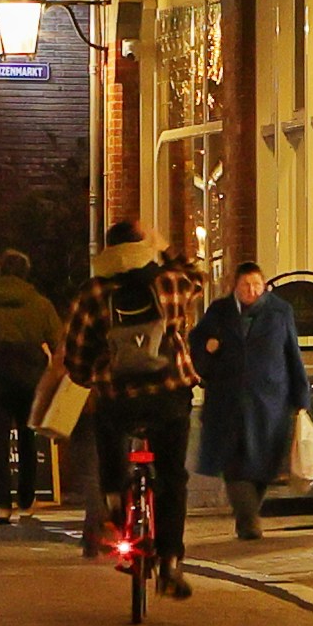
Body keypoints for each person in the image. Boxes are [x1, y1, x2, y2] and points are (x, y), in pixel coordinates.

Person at [69, 224, 197, 593]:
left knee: (111, 453)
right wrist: (166, 245)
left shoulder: (93, 293)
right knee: (173, 477)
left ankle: (116, 507)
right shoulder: (171, 284)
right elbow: (196, 276)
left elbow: (77, 354)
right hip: (170, 394)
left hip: (119, 398)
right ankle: (171, 561)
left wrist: (90, 376)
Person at [190, 261, 305, 547]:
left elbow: (293, 354)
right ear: (235, 287)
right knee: (235, 461)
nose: (251, 291)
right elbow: (197, 346)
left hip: (270, 401)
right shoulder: (219, 312)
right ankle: (248, 518)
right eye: (245, 286)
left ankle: (248, 513)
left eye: (256, 285)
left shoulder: (280, 312)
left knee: (265, 462)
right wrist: (208, 349)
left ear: (264, 285)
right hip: (227, 401)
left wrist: (301, 397)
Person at [0, 250, 68, 514]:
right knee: (28, 438)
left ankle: (1, 504)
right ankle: (27, 498)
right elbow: (59, 344)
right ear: (25, 273)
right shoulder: (40, 304)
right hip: (32, 380)